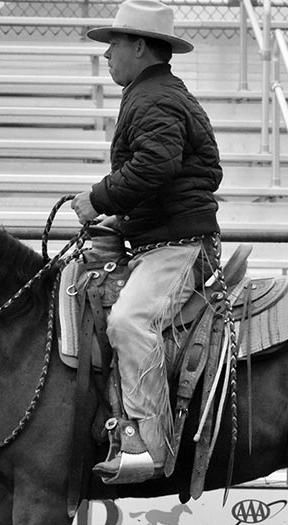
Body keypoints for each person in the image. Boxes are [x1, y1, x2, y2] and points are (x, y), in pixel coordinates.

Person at [72, 0, 223, 485]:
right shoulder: (157, 93)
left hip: (179, 247)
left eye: (114, 44)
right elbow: (175, 174)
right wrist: (126, 225)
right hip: (164, 238)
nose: (107, 54)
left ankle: (148, 446)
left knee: (130, 320)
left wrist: (100, 199)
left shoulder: (153, 97)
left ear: (139, 46)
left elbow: (158, 165)